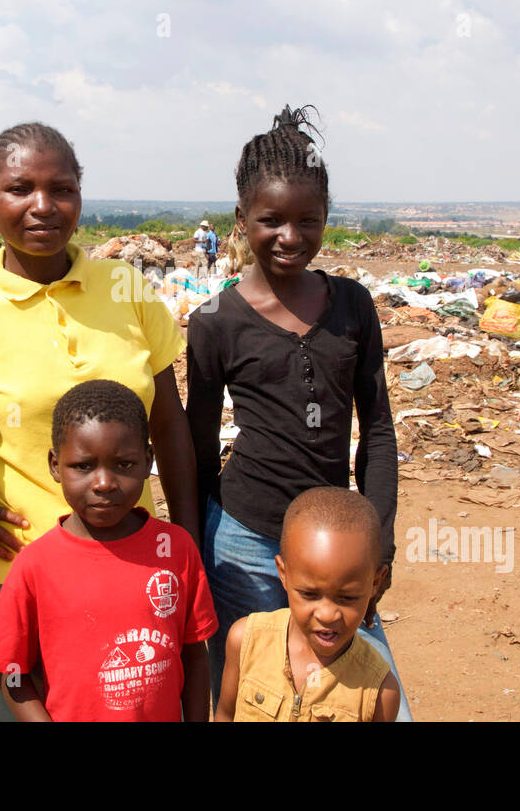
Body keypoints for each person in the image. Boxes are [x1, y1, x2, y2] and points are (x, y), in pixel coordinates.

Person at [0, 121, 200, 722]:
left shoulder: (126, 289)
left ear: (79, 195)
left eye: (61, 188)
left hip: (134, 576)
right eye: (19, 189)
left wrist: (187, 542)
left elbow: (169, 428)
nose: (43, 206)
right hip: (5, 578)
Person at [186, 105, 412, 719]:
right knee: (258, 697)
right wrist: (197, 547)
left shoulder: (354, 306)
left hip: (338, 552)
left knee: (369, 698)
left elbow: (380, 432)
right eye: (271, 220)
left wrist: (379, 542)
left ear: (326, 218)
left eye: (307, 220)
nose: (290, 237)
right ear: (241, 220)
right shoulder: (215, 323)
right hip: (244, 541)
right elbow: (199, 444)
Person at [0, 379, 215, 721]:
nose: (104, 483)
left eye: (123, 465)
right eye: (83, 466)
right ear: (54, 465)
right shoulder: (35, 565)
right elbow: (13, 675)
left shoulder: (176, 549)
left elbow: (195, 655)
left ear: (148, 460)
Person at [214, 487, 400, 721]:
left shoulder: (378, 691)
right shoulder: (246, 641)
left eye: (348, 598)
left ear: (375, 583)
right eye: (310, 594)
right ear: (283, 573)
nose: (328, 614)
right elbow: (225, 713)